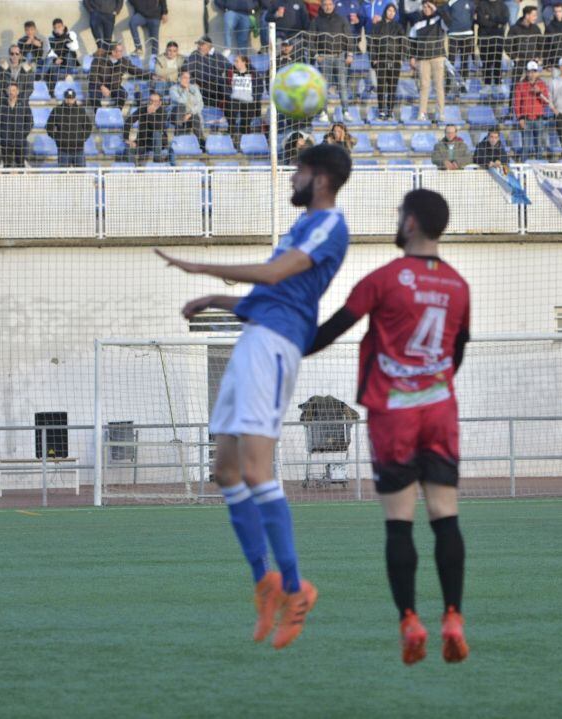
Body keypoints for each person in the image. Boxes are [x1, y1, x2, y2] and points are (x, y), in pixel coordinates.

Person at [153, 144, 353, 650]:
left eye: (299, 171)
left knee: (258, 471)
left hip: (275, 345)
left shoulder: (330, 224)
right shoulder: (298, 228)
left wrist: (202, 268)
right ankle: (265, 583)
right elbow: (269, 292)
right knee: (225, 471)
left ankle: (296, 588)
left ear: (321, 179)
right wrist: (216, 299)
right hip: (254, 338)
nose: (291, 178)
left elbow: (275, 276)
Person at [307, 188, 471, 666]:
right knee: (445, 515)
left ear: (412, 222)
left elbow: (329, 332)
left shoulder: (383, 279)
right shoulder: (458, 285)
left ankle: (410, 621)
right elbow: (457, 351)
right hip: (439, 409)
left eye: (400, 215)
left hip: (394, 414)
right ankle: (453, 617)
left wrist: (281, 339)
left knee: (399, 522)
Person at [311, 0, 356, 109]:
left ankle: (345, 111)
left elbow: (349, 37)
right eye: (325, 5)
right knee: (324, 86)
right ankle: (323, 112)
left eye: (330, 4)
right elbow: (310, 39)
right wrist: (316, 55)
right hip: (324, 58)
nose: (328, 7)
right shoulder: (316, 21)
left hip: (339, 57)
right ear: (322, 6)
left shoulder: (341, 19)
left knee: (342, 85)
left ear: (333, 5)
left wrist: (350, 54)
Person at [408, 1, 448, 124]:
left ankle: (441, 112)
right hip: (423, 58)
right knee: (424, 86)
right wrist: (412, 57)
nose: (426, 8)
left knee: (439, 86)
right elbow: (412, 41)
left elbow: (449, 21)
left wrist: (436, 9)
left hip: (437, 56)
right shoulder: (417, 22)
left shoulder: (439, 19)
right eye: (424, 6)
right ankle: (422, 113)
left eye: (429, 6)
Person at [370, 2, 407, 120]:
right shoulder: (377, 26)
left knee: (392, 87)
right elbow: (372, 43)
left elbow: (403, 42)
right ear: (385, 11)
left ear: (395, 13)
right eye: (389, 10)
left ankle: (390, 112)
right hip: (380, 60)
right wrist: (374, 58)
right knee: (381, 87)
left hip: (395, 60)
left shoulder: (398, 26)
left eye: (393, 11)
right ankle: (381, 111)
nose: (391, 13)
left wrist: (401, 58)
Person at [89, 41, 152, 109]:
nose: (122, 53)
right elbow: (93, 75)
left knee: (123, 94)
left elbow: (136, 71)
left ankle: (115, 113)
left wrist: (152, 76)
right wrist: (102, 87)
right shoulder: (99, 59)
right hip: (98, 85)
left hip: (114, 86)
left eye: (122, 51)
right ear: (113, 52)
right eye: (120, 51)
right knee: (94, 97)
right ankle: (99, 114)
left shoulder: (124, 61)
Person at [47, 88, 94, 167]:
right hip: (63, 149)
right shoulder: (57, 110)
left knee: (81, 173)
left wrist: (82, 138)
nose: (70, 100)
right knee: (64, 173)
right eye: (68, 98)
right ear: (65, 98)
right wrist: (58, 138)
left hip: (78, 149)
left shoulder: (81, 110)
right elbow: (49, 127)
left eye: (71, 98)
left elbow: (88, 126)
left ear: (75, 98)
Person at [513, 61, 549, 160]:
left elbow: (546, 102)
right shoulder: (520, 85)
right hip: (526, 119)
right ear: (526, 72)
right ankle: (524, 165)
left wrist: (539, 93)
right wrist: (520, 118)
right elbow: (517, 103)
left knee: (539, 146)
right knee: (526, 146)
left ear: (537, 72)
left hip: (538, 119)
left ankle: (539, 165)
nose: (531, 74)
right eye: (529, 72)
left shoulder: (542, 84)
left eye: (534, 71)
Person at [0, 83, 33, 168]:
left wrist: (23, 134)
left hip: (20, 141)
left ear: (17, 92)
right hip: (6, 141)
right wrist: (2, 134)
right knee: (6, 166)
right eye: (10, 90)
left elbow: (30, 122)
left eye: (13, 90)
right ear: (7, 92)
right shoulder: (1, 105)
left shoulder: (24, 105)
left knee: (21, 165)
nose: (11, 92)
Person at [122, 90, 168, 163]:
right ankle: (132, 168)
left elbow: (157, 127)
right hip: (142, 143)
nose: (152, 103)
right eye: (151, 100)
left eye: (155, 101)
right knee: (129, 149)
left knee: (157, 133)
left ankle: (157, 160)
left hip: (156, 144)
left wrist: (150, 114)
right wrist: (127, 139)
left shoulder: (163, 112)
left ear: (160, 103)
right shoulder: (142, 109)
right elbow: (128, 121)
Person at [475, 0, 509, 99]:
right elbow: (481, 21)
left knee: (497, 63)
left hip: (498, 39)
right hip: (484, 39)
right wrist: (496, 23)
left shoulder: (502, 5)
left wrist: (490, 17)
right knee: (486, 63)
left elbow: (505, 19)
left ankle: (498, 84)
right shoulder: (481, 5)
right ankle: (487, 85)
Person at [225, 54, 261, 144]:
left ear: (244, 62)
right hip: (235, 100)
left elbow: (259, 87)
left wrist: (254, 98)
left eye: (237, 61)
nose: (235, 63)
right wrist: (229, 95)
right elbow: (225, 86)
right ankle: (231, 139)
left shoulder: (253, 73)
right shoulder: (230, 73)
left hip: (248, 101)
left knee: (246, 123)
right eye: (235, 61)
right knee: (231, 117)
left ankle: (245, 141)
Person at [170, 70, 205, 149]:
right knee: (180, 107)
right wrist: (185, 90)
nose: (187, 80)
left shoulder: (194, 88)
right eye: (184, 78)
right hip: (178, 115)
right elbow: (181, 101)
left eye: (188, 78)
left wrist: (190, 114)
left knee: (195, 117)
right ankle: (178, 139)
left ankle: (201, 143)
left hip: (191, 115)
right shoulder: (173, 89)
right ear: (179, 79)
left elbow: (200, 104)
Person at [506, 6, 544, 77]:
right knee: (516, 81)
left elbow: (541, 43)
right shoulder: (514, 29)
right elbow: (507, 45)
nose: (536, 18)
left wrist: (538, 56)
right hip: (519, 62)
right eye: (534, 15)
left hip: (533, 61)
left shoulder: (536, 28)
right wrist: (514, 57)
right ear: (527, 15)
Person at [45, 18, 80, 87]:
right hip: (58, 60)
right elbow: (49, 52)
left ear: (63, 27)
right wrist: (55, 59)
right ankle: (54, 86)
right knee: (52, 63)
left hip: (69, 60)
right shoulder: (51, 38)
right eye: (55, 28)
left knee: (68, 55)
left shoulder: (70, 34)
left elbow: (75, 47)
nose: (57, 29)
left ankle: (69, 77)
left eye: (59, 27)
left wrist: (63, 36)